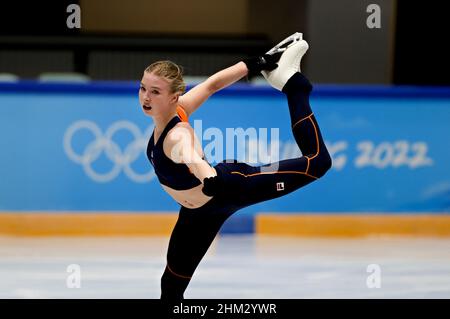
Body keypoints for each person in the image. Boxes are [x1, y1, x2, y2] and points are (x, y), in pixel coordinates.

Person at [139, 32, 332, 300]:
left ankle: (296, 86)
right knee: (170, 288)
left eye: (155, 91)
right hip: (196, 216)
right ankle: (284, 76)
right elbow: (211, 85)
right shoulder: (177, 111)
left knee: (318, 162)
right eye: (143, 88)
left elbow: (192, 158)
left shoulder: (177, 133)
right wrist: (256, 63)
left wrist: (208, 177)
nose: (146, 97)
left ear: (174, 96)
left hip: (230, 187)